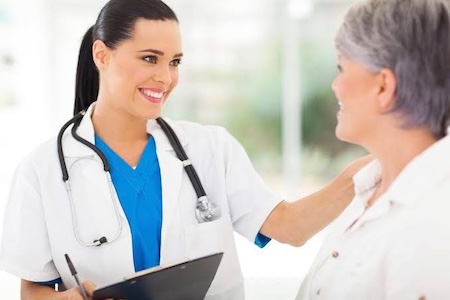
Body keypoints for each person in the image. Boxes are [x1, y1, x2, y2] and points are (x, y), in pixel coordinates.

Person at [0, 0, 371, 299]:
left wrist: (370, 168)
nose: (166, 77)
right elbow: (32, 290)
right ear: (102, 55)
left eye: (174, 62)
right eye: (150, 58)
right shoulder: (42, 170)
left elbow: (290, 228)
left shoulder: (210, 148)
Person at [296, 0, 450, 299]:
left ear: (383, 87)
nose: (335, 85)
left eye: (342, 68)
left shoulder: (433, 227)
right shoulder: (370, 189)